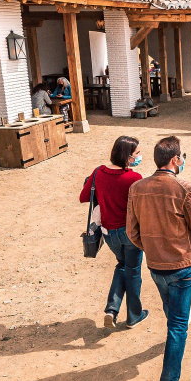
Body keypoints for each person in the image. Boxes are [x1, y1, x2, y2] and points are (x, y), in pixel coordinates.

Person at [126, 136, 191, 381]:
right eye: (182, 156)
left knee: (172, 306)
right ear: (175, 159)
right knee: (178, 326)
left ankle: (179, 313)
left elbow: (132, 231)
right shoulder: (186, 188)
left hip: (155, 264)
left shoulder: (137, 187)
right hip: (182, 265)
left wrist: (152, 248)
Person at [79, 135, 148, 329]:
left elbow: (84, 197)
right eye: (137, 153)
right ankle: (134, 315)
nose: (139, 156)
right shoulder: (134, 178)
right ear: (127, 156)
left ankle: (112, 309)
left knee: (122, 266)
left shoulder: (98, 172)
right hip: (130, 233)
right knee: (132, 271)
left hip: (108, 232)